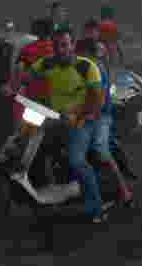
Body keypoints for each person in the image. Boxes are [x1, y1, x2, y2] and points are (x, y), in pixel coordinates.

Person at [28, 28, 111, 223]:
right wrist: (12, 86)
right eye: (57, 45)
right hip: (56, 118)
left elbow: (97, 100)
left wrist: (78, 116)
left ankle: (97, 208)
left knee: (76, 160)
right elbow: (27, 75)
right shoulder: (47, 63)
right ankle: (47, 190)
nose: (60, 49)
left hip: (83, 120)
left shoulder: (86, 67)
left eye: (64, 45)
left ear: (72, 45)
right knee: (32, 146)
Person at [76, 39, 135, 208]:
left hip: (101, 117)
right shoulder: (83, 67)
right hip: (86, 114)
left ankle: (125, 193)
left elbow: (99, 101)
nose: (77, 56)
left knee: (101, 149)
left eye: (79, 53)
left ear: (87, 53)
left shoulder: (96, 68)